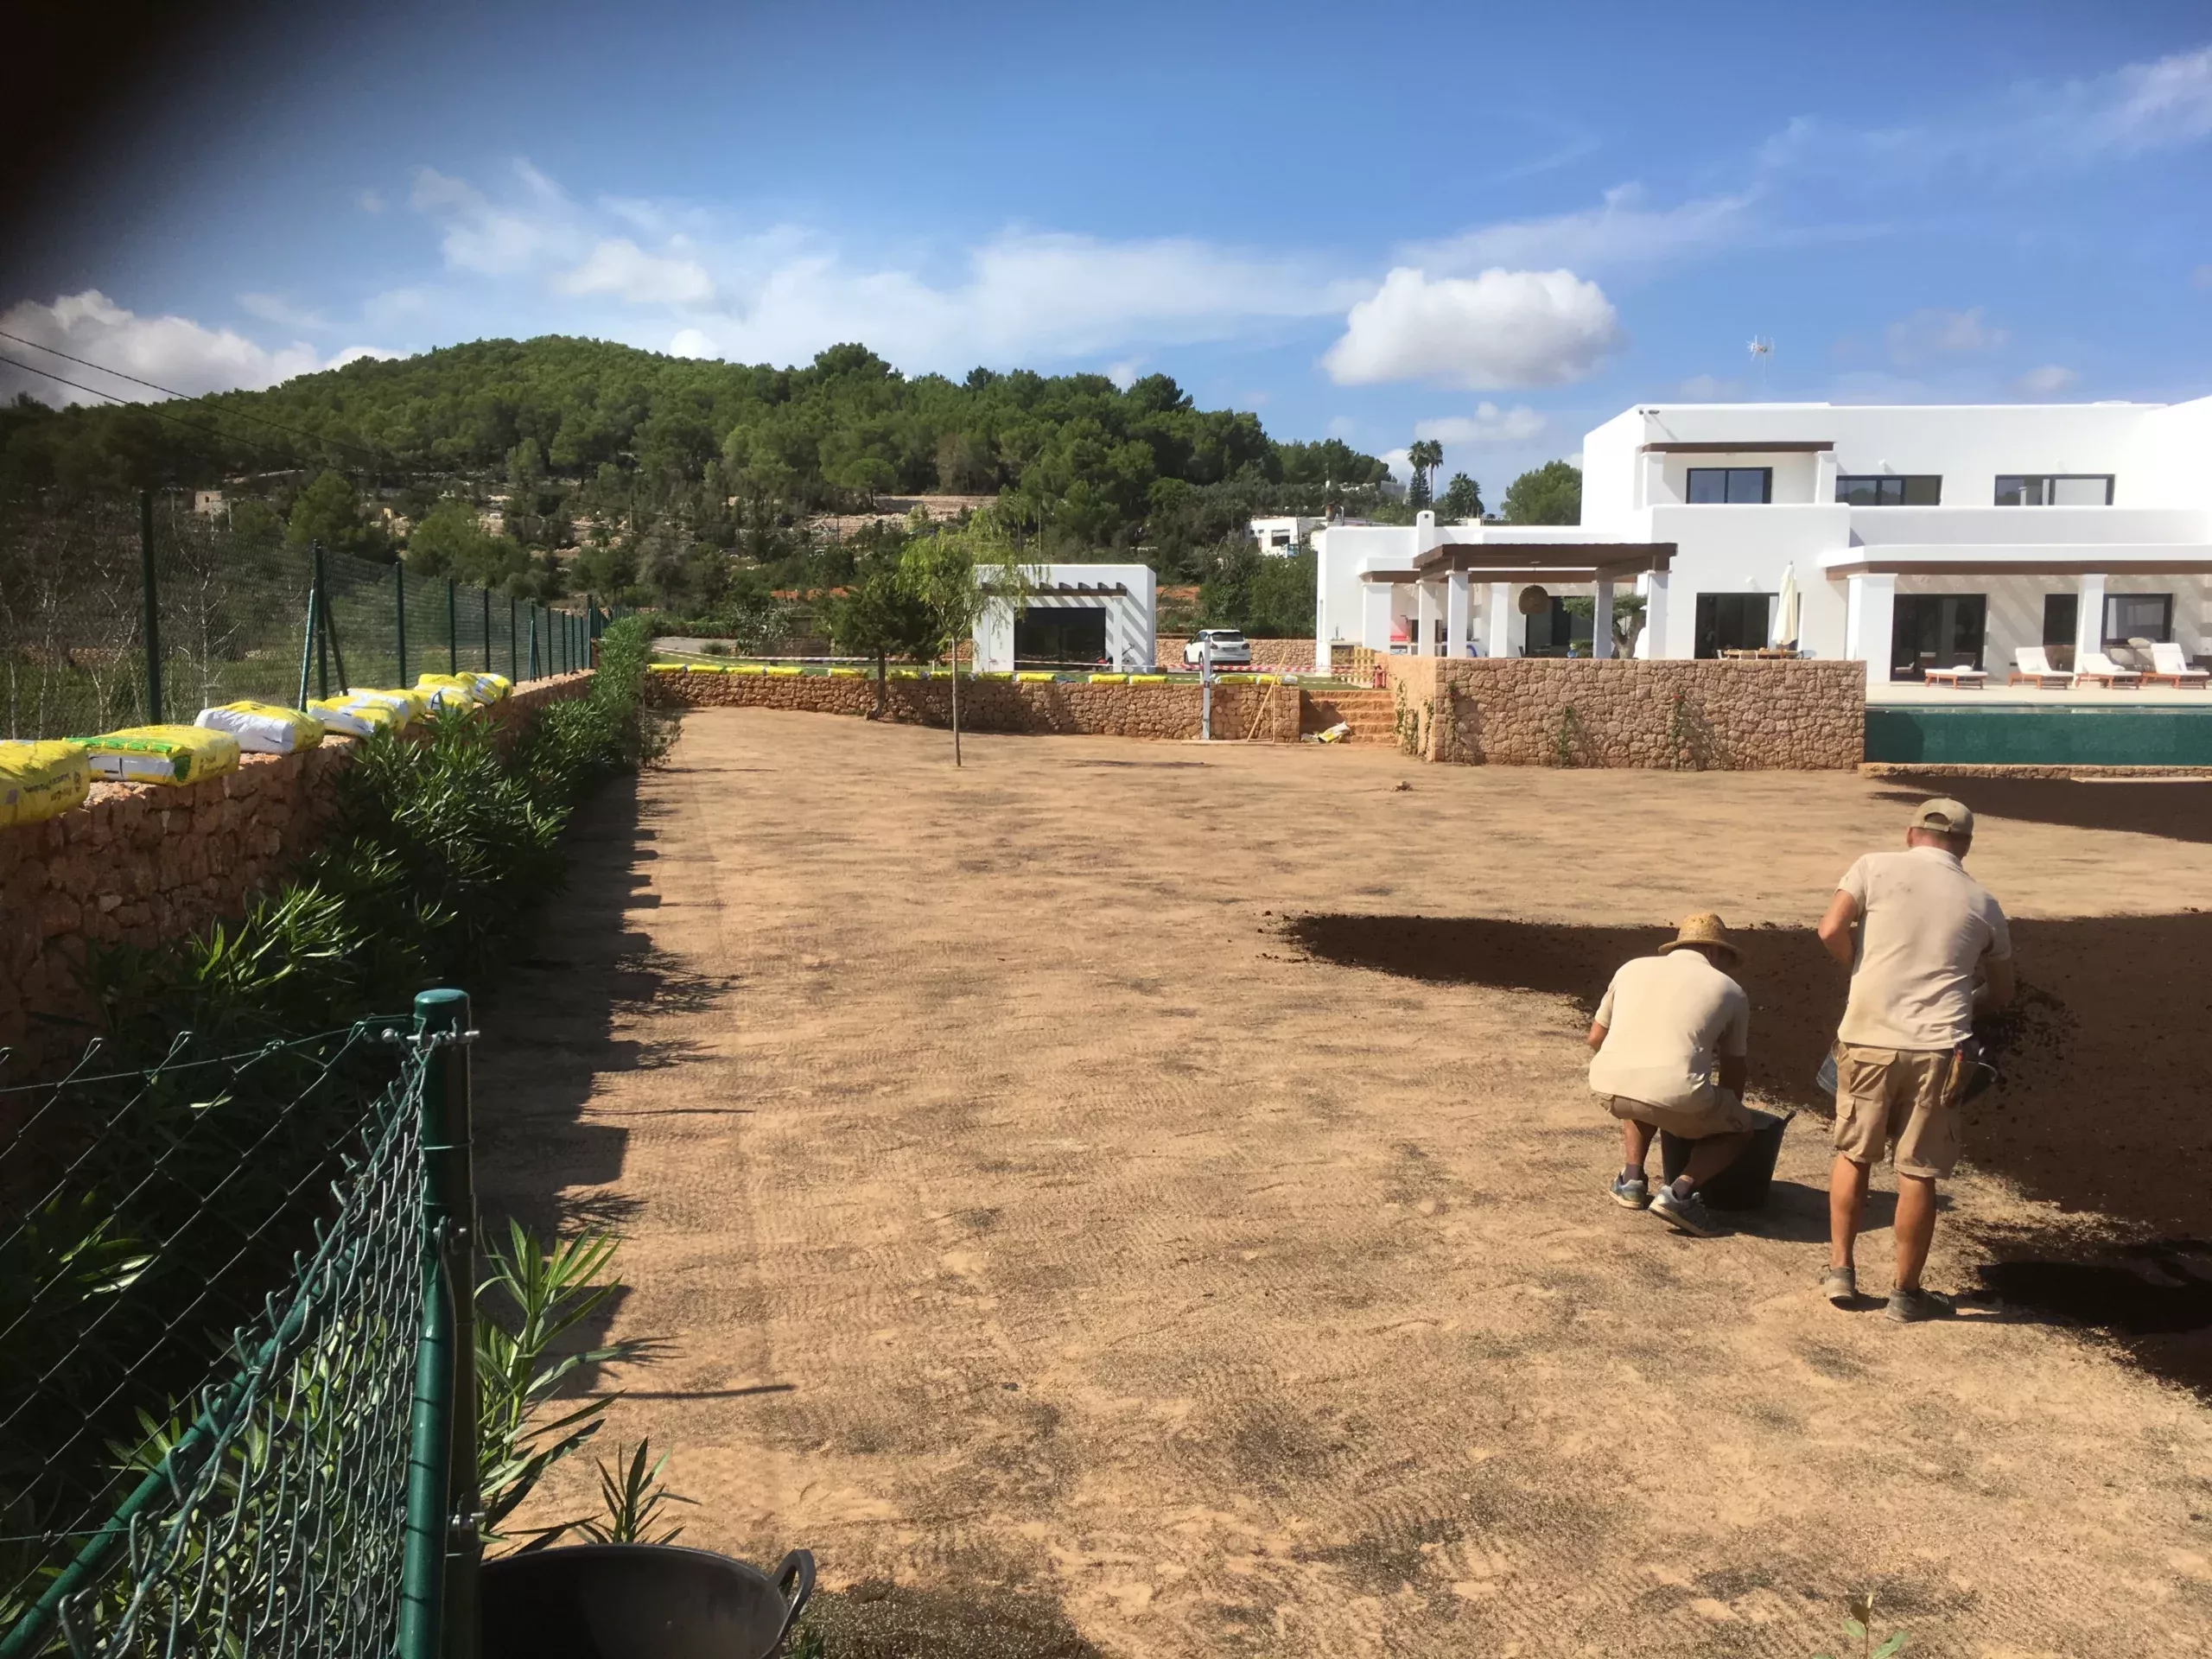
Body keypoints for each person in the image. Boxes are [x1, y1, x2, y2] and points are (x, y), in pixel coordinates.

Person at [1817, 798, 2014, 1323]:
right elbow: (2002, 992)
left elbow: (1830, 929)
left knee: (1855, 1155)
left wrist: (1861, 972)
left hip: (1869, 1039)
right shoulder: (1982, 900)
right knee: (1918, 1172)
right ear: (1966, 846)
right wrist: (1968, 999)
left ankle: (1841, 1271)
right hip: (1940, 1050)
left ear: (1911, 834)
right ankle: (1906, 1295)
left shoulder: (1872, 867)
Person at [1586, 912, 1759, 1237]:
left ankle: (1632, 1181)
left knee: (1638, 1088)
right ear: (1715, 952)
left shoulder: (1631, 968)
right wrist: (1726, 1116)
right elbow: (1735, 1069)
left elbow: (1595, 1038)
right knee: (1740, 1129)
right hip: (1677, 1093)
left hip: (1608, 1084)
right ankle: (1679, 1193)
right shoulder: (1731, 990)